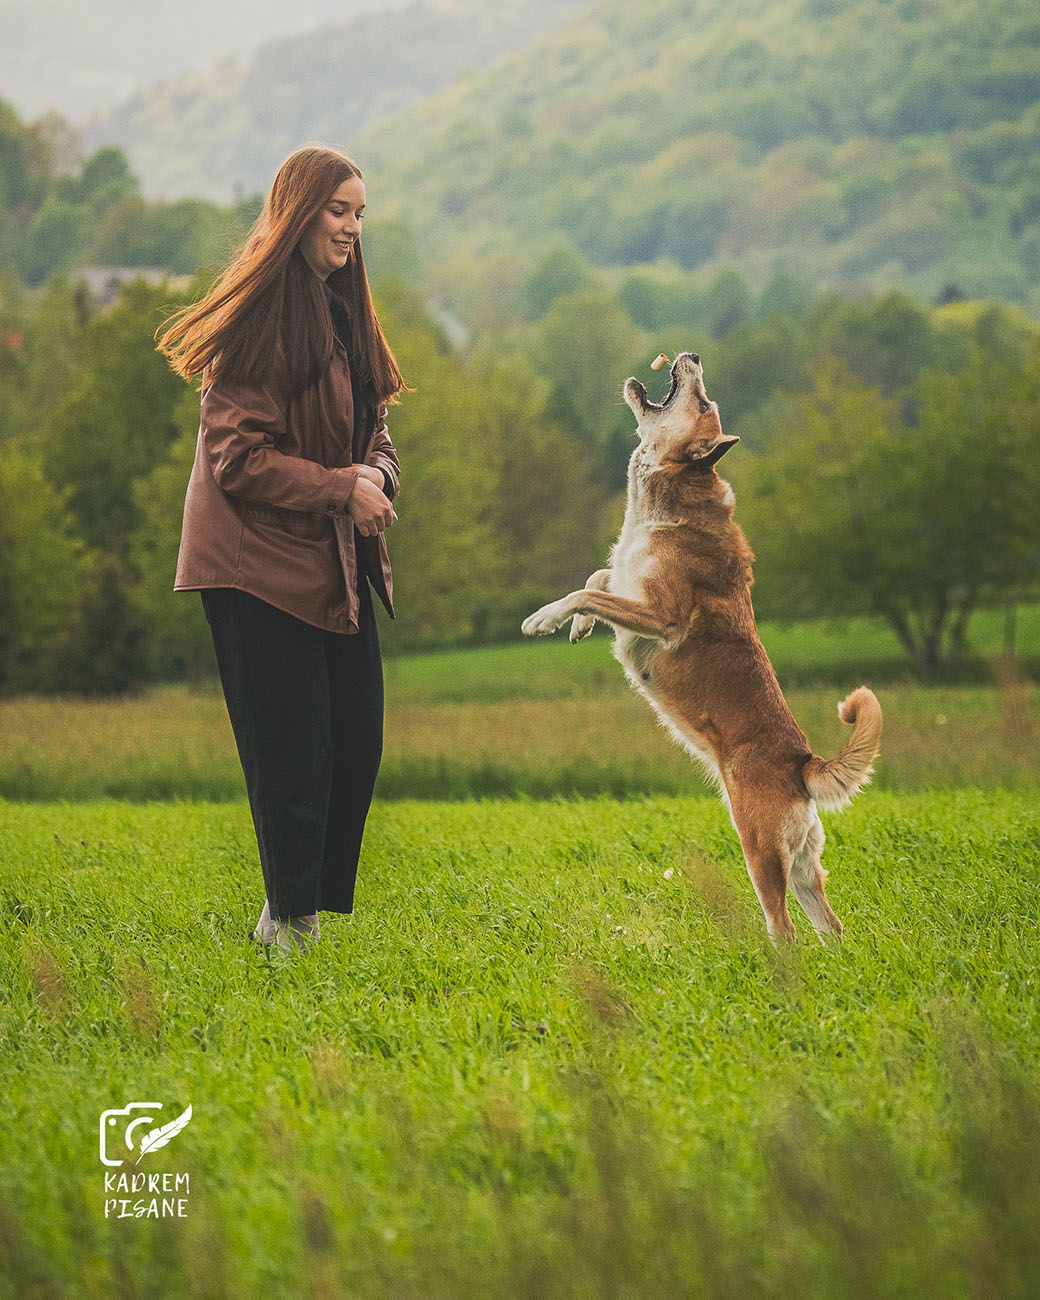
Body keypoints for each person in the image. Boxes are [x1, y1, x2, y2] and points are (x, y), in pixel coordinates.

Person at [156, 144, 405, 952]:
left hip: (325, 558)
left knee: (356, 742)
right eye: (338, 211)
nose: (352, 228)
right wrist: (342, 488)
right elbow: (237, 458)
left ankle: (287, 916)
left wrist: (376, 474)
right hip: (250, 565)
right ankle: (291, 928)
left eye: (359, 214)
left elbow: (375, 431)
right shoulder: (260, 320)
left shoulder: (344, 311)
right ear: (298, 213)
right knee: (293, 754)